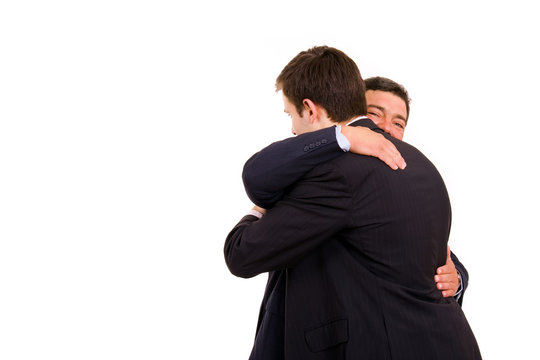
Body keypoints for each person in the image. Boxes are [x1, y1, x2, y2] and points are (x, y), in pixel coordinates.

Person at [224, 46, 481, 359]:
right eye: (375, 115)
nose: (292, 129)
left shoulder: (335, 174)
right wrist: (338, 138)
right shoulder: (425, 167)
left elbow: (242, 254)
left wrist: (260, 209)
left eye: (291, 114)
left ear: (309, 108)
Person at [242, 76, 468, 301]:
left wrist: (456, 277)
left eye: (398, 123)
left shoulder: (404, 179)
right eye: (374, 114)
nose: (385, 128)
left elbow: (424, 238)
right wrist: (342, 136)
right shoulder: (322, 167)